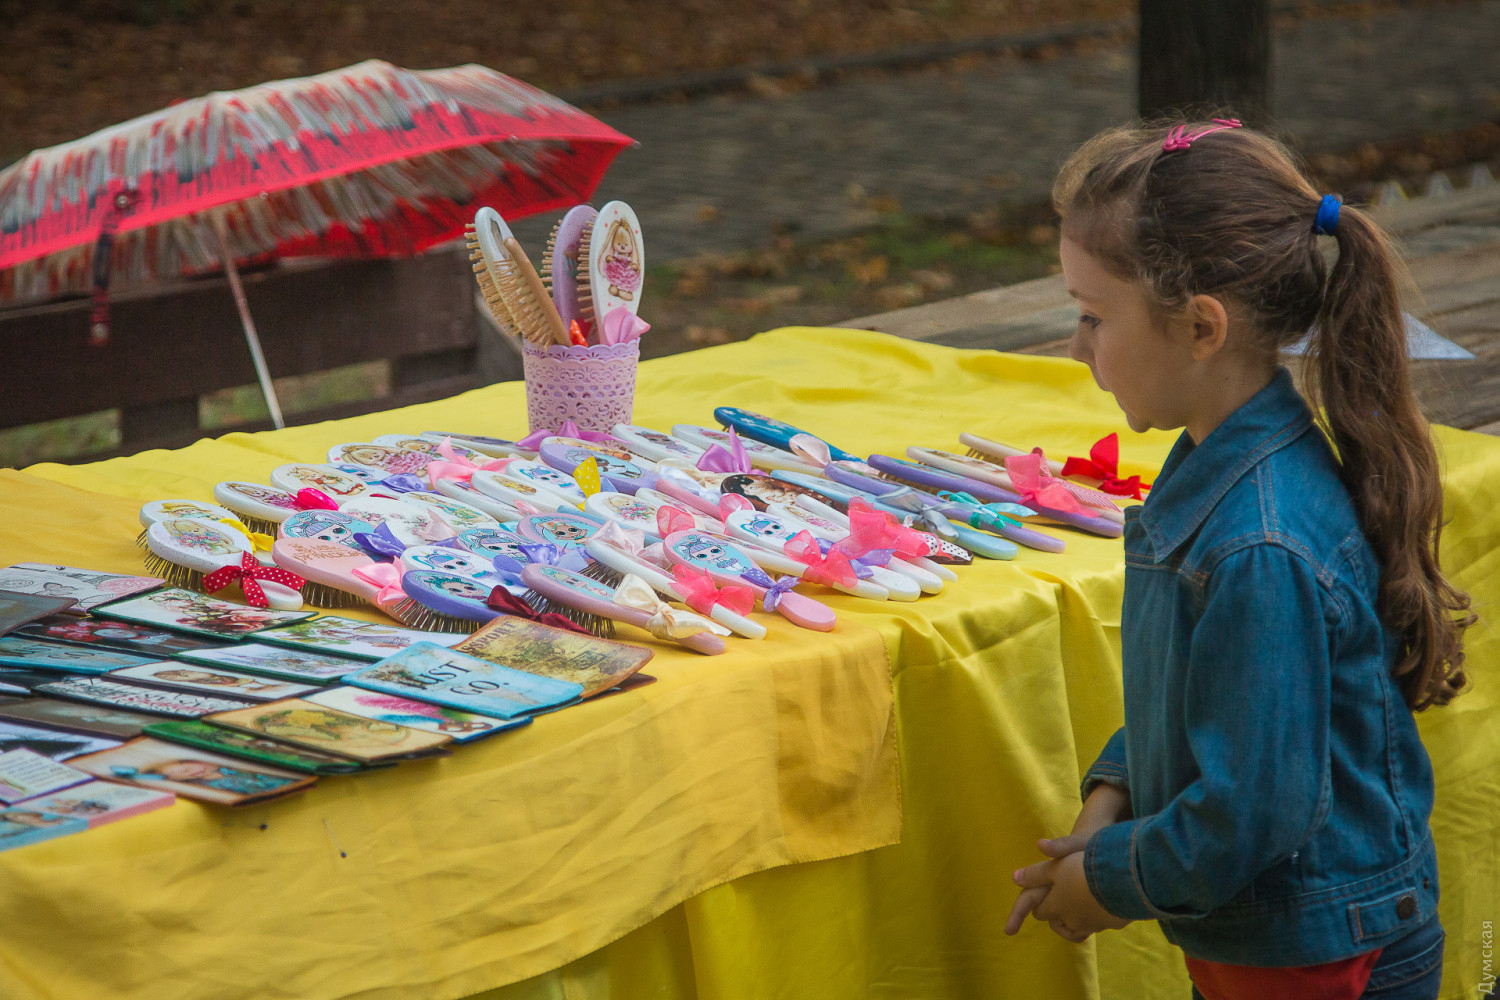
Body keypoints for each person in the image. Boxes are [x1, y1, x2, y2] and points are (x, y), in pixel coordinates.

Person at [1004, 120, 1473, 999]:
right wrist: (1115, 792)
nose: (1076, 347)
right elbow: (1212, 700)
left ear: (1200, 327)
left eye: (1093, 316)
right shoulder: (1216, 473)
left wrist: (1108, 880)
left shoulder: (1258, 543)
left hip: (1322, 960)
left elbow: (1252, 811)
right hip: (1276, 946)